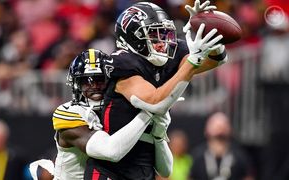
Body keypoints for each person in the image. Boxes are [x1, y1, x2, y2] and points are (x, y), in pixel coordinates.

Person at [84, 1, 229, 179]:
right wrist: (192, 61)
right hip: (112, 169)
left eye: (164, 34)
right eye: (153, 35)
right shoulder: (123, 62)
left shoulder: (170, 53)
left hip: (144, 166)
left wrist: (208, 31)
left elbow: (215, 60)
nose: (162, 42)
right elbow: (155, 102)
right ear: (132, 37)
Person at [29, 49, 172, 180]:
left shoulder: (121, 112)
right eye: (87, 81)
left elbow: (165, 171)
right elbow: (110, 152)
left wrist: (159, 136)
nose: (94, 86)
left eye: (100, 80)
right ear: (77, 85)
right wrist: (148, 112)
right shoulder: (71, 112)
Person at [189, 112, 254, 180]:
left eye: (222, 137)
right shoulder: (197, 156)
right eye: (216, 137)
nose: (220, 133)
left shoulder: (240, 157)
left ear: (230, 132)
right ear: (207, 132)